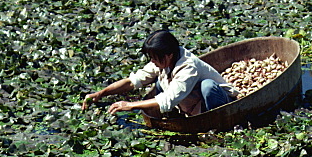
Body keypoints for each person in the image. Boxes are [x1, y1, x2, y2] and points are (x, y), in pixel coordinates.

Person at [81, 29, 238, 119]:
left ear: (168, 55)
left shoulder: (188, 67)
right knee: (158, 83)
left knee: (208, 86)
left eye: (155, 58)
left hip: (216, 101)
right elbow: (132, 81)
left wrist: (130, 105)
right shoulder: (162, 61)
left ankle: (214, 122)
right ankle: (180, 116)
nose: (153, 62)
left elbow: (167, 100)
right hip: (190, 103)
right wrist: (101, 93)